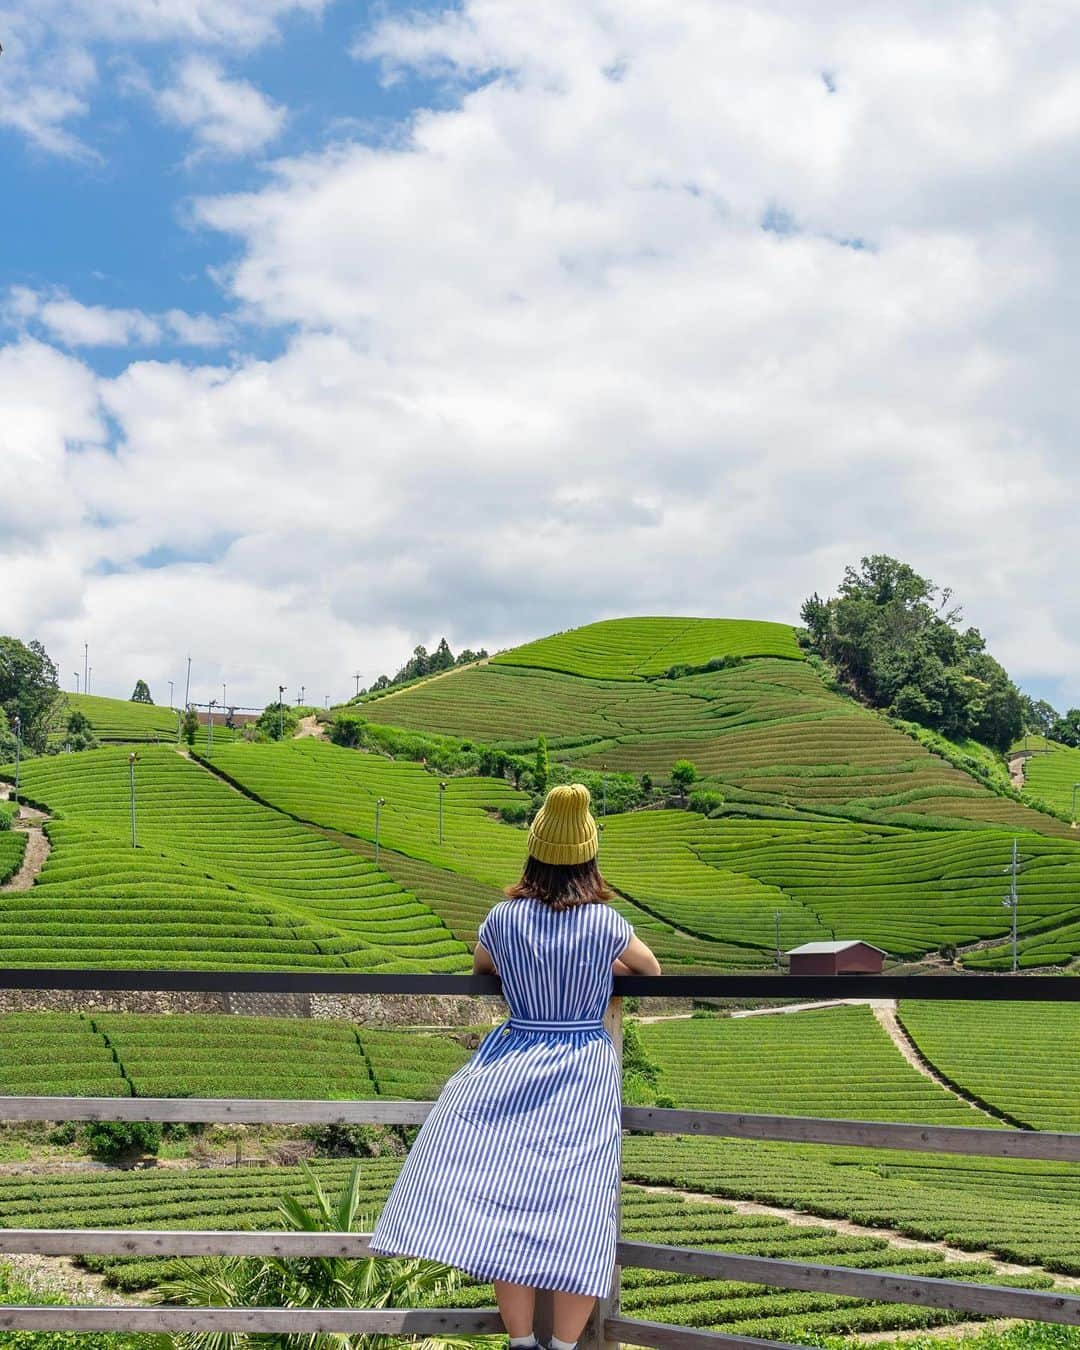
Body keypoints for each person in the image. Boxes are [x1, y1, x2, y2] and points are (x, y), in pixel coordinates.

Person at [368, 782, 662, 1350]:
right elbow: (649, 970)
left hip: (513, 1058)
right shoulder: (604, 925)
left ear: (533, 852)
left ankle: (521, 1341)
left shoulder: (505, 918)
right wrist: (596, 975)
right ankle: (567, 1346)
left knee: (507, 1200)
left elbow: (481, 963)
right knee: (578, 1210)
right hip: (580, 1067)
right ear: (589, 855)